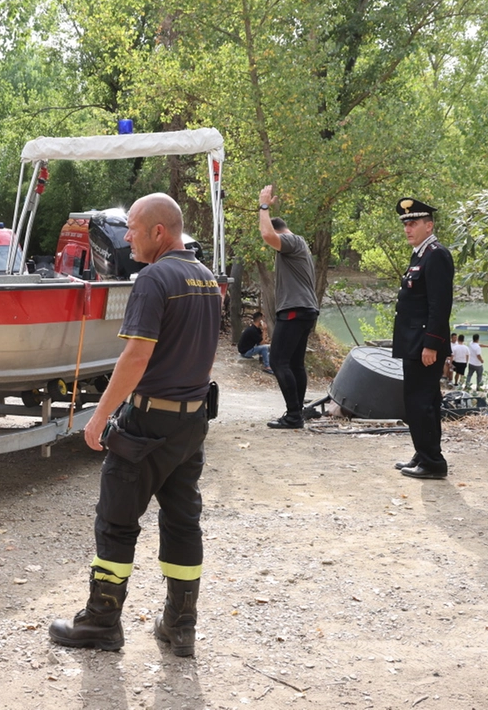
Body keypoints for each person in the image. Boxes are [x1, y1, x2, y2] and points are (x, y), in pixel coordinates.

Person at [49, 193, 220, 658]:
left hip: (147, 423)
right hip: (192, 423)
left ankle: (102, 623)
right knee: (183, 522)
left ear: (159, 232)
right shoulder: (206, 279)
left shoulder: (153, 278)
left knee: (117, 522)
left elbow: (137, 355)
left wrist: (100, 415)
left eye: (133, 229)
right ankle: (180, 627)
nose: (126, 237)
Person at [391, 198, 454, 479]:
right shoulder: (420, 254)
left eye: (413, 223)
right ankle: (423, 452)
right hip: (412, 342)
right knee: (417, 401)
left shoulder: (437, 254)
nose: (408, 228)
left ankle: (433, 462)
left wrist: (431, 343)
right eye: (406, 223)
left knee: (423, 402)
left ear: (429, 226)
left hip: (424, 344)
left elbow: (440, 305)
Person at [258, 185, 320, 429]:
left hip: (295, 310)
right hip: (304, 309)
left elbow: (266, 235)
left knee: (278, 361)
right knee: (295, 364)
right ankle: (297, 413)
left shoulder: (292, 241)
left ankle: (294, 415)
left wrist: (263, 205)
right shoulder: (299, 246)